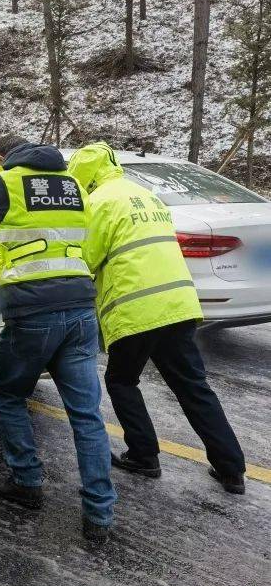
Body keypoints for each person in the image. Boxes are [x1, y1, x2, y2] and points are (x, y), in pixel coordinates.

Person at [0, 135, 116, 541]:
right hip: (80, 307)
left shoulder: (5, 182)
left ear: (2, 158)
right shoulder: (72, 185)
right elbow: (53, 235)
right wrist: (1, 234)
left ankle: (26, 480)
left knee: (8, 395)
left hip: (34, 311)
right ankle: (100, 514)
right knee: (86, 414)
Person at [68, 142, 246, 494]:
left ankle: (144, 455)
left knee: (121, 380)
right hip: (177, 303)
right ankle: (231, 470)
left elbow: (87, 258)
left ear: (83, 177)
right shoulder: (144, 194)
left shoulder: (98, 202)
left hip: (137, 307)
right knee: (192, 386)